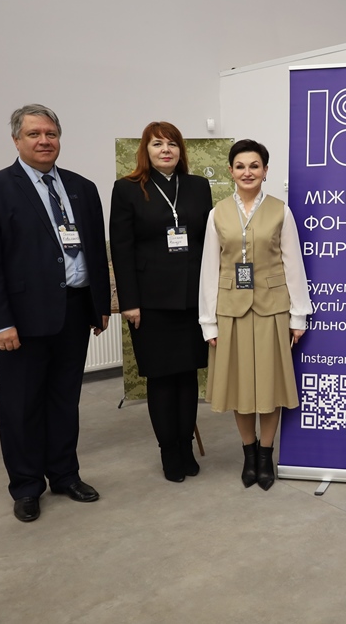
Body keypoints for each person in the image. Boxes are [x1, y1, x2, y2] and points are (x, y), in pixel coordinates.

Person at [0, 104, 111, 522]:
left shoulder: (82, 187)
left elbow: (95, 250)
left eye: (51, 134)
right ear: (16, 140)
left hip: (74, 311)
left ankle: (64, 474)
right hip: (22, 320)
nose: (44, 141)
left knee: (64, 399)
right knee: (21, 405)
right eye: (34, 134)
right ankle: (27, 486)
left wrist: (100, 305)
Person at [199, 139, 312, 491]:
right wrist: (208, 322)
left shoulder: (281, 211)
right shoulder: (217, 213)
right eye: (240, 166)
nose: (247, 172)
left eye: (254, 166)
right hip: (230, 311)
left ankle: (266, 456)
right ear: (231, 171)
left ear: (265, 171)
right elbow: (209, 269)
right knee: (240, 387)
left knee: (269, 386)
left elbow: (293, 264)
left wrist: (298, 315)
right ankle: (248, 455)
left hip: (271, 309)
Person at [110, 122, 213, 482]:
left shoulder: (197, 187)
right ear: (146, 150)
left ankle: (186, 446)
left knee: (188, 376)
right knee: (162, 378)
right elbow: (121, 248)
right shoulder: (127, 189)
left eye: (172, 144)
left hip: (192, 299)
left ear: (181, 150)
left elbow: (208, 244)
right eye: (157, 144)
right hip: (149, 302)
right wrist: (129, 301)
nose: (165, 150)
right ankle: (169, 451)